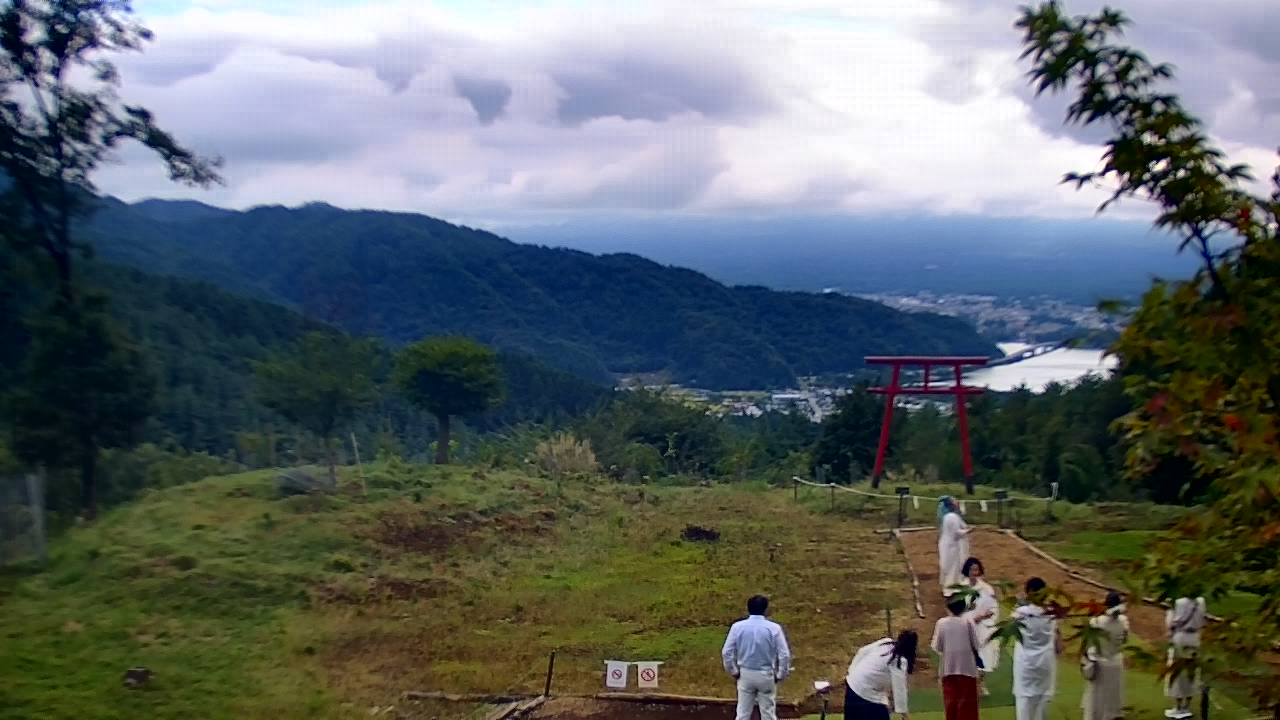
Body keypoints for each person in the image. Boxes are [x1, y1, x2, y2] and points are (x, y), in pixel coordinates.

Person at [723, 595, 792, 720]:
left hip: (745, 672)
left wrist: (733, 670)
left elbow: (727, 652)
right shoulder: (774, 628)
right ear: (765, 609)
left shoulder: (738, 627)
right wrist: (781, 674)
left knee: (743, 713)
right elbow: (784, 654)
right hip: (766, 673)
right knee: (768, 713)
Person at [1013, 577, 1062, 720]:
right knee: (1041, 706)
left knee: (1024, 705)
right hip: (1045, 664)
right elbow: (1059, 645)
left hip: (1025, 665)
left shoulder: (1020, 613)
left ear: (1028, 593)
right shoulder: (1052, 614)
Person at [844, 630, 918, 720]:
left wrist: (851, 671)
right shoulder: (899, 660)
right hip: (867, 693)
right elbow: (899, 688)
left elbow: (862, 651)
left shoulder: (885, 642)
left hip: (852, 684)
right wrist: (903, 713)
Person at [932, 595, 983, 720]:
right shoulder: (967, 623)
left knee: (951, 704)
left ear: (947, 607)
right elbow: (976, 644)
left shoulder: (941, 623)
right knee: (967, 705)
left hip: (948, 669)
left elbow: (937, 647)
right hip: (967, 669)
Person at [1082, 591, 1129, 720]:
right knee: (1113, 698)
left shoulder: (1096, 622)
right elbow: (1125, 639)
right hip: (1116, 662)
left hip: (1101, 664)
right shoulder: (1123, 622)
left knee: (1097, 698)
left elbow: (1088, 643)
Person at [962, 557, 1000, 694]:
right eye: (972, 569)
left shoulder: (986, 589)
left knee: (985, 655)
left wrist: (982, 617)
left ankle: (981, 683)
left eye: (976, 569)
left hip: (983, 627)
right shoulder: (961, 588)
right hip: (966, 627)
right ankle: (971, 684)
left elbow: (993, 609)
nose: (974, 572)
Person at [1164, 596, 1206, 719]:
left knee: (1177, 672)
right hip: (1195, 638)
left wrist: (1170, 611)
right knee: (1191, 672)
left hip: (1181, 637)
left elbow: (1171, 624)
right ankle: (1187, 706)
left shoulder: (1178, 602)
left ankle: (1178, 707)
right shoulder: (1201, 601)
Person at [937, 497, 971, 595]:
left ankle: (949, 587)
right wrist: (969, 531)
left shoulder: (948, 516)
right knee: (953, 567)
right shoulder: (952, 517)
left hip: (947, 544)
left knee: (948, 566)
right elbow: (957, 532)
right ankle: (951, 588)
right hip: (951, 545)